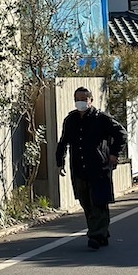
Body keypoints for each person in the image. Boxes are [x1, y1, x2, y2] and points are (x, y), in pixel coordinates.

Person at [55, 87, 127, 250]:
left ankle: (96, 235)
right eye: (77, 98)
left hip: (99, 167)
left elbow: (121, 133)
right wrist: (60, 162)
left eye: (84, 98)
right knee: (85, 202)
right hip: (79, 167)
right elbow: (63, 142)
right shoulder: (71, 120)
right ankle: (101, 232)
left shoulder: (101, 118)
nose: (80, 101)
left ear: (91, 100)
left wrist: (114, 154)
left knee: (98, 202)